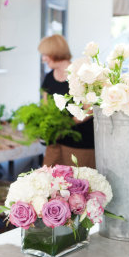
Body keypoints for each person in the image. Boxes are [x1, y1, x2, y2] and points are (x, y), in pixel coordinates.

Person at [38, 34, 95, 167]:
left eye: (46, 54)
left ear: (56, 52)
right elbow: (46, 108)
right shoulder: (49, 78)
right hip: (55, 142)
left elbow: (89, 108)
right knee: (49, 181)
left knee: (79, 183)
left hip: (80, 143)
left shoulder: (80, 74)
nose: (43, 59)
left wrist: (66, 124)